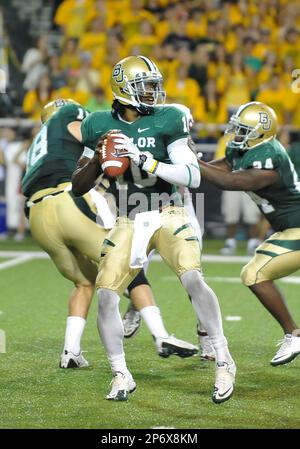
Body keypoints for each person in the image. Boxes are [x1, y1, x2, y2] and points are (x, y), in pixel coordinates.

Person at [71, 55, 236, 404]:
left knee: (192, 277)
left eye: (153, 85)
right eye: (145, 86)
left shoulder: (169, 117)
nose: (153, 92)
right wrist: (101, 158)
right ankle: (120, 373)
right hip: (128, 218)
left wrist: (146, 159)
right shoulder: (97, 123)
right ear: (124, 89)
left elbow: (192, 174)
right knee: (105, 295)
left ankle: (224, 359)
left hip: (168, 210)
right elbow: (77, 185)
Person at [22, 98, 198, 369]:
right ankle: (161, 335)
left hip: (36, 213)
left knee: (84, 282)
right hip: (66, 200)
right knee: (126, 266)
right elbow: (106, 142)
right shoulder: (71, 115)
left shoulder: (40, 141)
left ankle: (71, 351)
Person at [198, 101, 300, 366]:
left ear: (261, 133)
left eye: (245, 130)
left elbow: (231, 181)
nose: (237, 134)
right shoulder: (246, 148)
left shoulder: (269, 155)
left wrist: (193, 164)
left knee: (255, 273)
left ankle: (294, 333)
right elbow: (223, 167)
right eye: (238, 128)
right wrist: (191, 165)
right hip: (289, 228)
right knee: (255, 271)